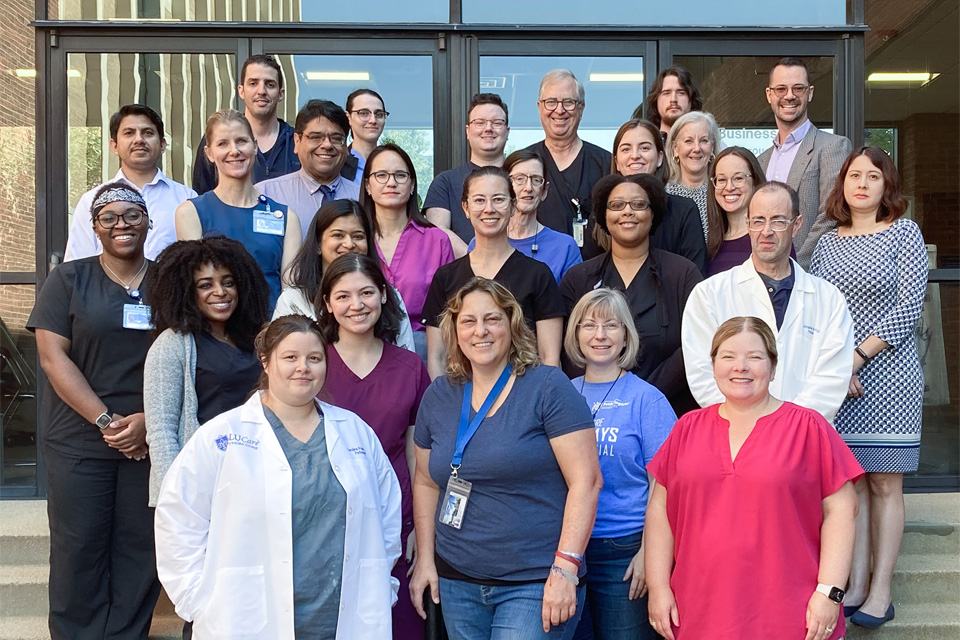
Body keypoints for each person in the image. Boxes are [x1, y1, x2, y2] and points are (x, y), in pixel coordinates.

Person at [155, 314, 402, 640]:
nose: (304, 367)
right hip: (246, 618)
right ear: (266, 362)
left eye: (314, 358)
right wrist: (196, 601)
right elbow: (179, 521)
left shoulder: (355, 433)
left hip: (341, 617)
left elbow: (386, 516)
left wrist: (379, 582)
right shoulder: (222, 436)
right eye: (290, 357)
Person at [645, 317, 862, 640]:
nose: (740, 367)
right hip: (699, 612)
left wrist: (829, 592)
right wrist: (658, 588)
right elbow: (660, 513)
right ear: (714, 364)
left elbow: (843, 512)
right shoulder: (687, 428)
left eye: (755, 357)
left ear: (773, 368)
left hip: (793, 615)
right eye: (728, 356)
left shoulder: (809, 428)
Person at [409, 278, 602, 639]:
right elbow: (424, 480)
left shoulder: (547, 387)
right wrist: (425, 558)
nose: (480, 331)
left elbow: (587, 481)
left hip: (534, 582)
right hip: (457, 580)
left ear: (512, 324)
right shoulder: (439, 394)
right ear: (454, 329)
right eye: (468, 321)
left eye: (492, 319)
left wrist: (566, 569)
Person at [27, 183, 160, 639]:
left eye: (132, 215)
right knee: (78, 548)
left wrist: (147, 421)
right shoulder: (67, 279)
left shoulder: (169, 283)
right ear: (95, 227)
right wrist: (106, 421)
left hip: (149, 441)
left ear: (148, 222)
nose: (121, 224)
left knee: (139, 550)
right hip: (80, 440)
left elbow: (189, 356)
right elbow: (52, 357)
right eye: (110, 217)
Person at [809, 147, 929, 629]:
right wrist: (840, 365)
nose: (862, 183)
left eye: (873, 176)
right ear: (842, 184)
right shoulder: (826, 244)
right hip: (841, 380)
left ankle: (881, 589)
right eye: (854, 175)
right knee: (849, 482)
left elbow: (908, 305)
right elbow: (817, 312)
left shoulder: (904, 233)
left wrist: (857, 357)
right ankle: (854, 584)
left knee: (884, 482)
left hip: (890, 375)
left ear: (887, 185)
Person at [318, 253, 431, 640]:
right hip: (326, 519)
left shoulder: (410, 367)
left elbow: (419, 452)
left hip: (394, 519)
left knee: (399, 624)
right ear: (328, 303)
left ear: (384, 295)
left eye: (367, 292)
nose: (356, 305)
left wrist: (420, 523)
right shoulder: (314, 365)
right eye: (344, 296)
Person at [681, 181, 854, 422]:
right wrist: (751, 423)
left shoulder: (829, 299)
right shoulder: (710, 294)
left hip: (806, 435)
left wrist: (786, 426)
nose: (767, 231)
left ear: (797, 225)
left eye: (779, 221)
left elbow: (832, 379)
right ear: (748, 224)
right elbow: (702, 373)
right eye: (758, 220)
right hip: (737, 434)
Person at [564, 288, 676, 640]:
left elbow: (667, 484)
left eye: (611, 325)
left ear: (626, 334)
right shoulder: (561, 395)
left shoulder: (647, 400)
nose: (600, 335)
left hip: (625, 552)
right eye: (589, 325)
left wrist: (650, 553)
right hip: (568, 553)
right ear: (575, 334)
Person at [561, 173, 702, 417]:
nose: (628, 212)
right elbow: (568, 351)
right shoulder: (579, 277)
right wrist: (605, 395)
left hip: (669, 408)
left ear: (653, 213)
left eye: (638, 204)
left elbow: (695, 343)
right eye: (616, 205)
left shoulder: (682, 274)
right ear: (604, 216)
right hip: (593, 411)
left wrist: (642, 396)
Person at [143, 236, 270, 508]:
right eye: (205, 285)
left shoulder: (257, 339)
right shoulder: (173, 344)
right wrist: (176, 495)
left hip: (256, 473)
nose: (220, 292)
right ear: (186, 291)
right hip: (200, 483)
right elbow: (161, 430)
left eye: (228, 282)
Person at [422, 166, 566, 379]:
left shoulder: (538, 275)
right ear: (466, 208)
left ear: (513, 205)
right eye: (479, 200)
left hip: (522, 399)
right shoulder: (446, 277)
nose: (489, 209)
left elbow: (549, 358)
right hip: (462, 400)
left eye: (498, 199)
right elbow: (437, 358)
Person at [175, 109, 302, 311]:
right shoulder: (190, 213)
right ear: (209, 153)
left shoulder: (286, 217)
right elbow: (197, 285)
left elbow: (290, 292)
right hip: (217, 335)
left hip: (272, 334)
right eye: (223, 143)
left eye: (241, 141)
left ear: (255, 146)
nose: (234, 151)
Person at [273, 199, 416, 351]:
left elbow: (405, 358)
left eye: (358, 236)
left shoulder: (389, 296)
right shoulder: (294, 299)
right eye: (338, 235)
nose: (349, 244)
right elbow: (278, 359)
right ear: (318, 245)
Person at [65, 104, 196, 261]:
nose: (139, 140)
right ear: (114, 146)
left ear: (162, 145)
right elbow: (78, 265)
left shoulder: (187, 198)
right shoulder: (91, 201)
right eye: (129, 133)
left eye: (147, 133)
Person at [360, 143, 455, 359]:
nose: (391, 182)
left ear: (412, 184)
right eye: (381, 175)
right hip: (363, 349)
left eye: (400, 175)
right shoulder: (355, 238)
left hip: (424, 351)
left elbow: (449, 311)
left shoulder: (436, 240)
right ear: (367, 185)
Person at [758, 57, 853, 268]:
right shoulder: (761, 161)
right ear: (769, 95)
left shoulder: (833, 147)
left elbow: (831, 216)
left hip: (810, 277)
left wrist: (793, 270)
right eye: (781, 89)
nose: (789, 96)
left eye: (798, 88)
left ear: (810, 93)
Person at [524, 69, 611, 254]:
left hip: (595, 274)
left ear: (581, 108)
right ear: (539, 107)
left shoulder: (606, 163)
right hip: (537, 268)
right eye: (551, 102)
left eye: (568, 102)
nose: (559, 110)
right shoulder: (522, 164)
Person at [468, 149, 582, 283]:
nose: (528, 187)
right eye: (519, 179)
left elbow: (574, 302)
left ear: (544, 190)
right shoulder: (480, 243)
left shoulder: (565, 247)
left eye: (536, 180)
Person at [192, 54, 300, 194]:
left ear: (280, 94)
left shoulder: (298, 142)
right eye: (253, 83)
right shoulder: (217, 139)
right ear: (241, 91)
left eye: (270, 84)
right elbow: (202, 195)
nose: (261, 91)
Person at [609, 119, 706, 272]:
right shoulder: (603, 210)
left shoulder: (684, 210)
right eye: (626, 149)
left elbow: (695, 275)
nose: (635, 155)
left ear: (660, 157)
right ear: (617, 161)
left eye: (645, 148)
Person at [257, 99, 361, 239]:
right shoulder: (266, 196)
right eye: (315, 137)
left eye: (336, 138)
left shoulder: (364, 199)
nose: (327, 145)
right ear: (297, 141)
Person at [424, 93, 511, 254]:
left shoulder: (521, 179)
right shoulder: (445, 182)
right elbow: (438, 232)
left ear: (507, 131)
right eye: (480, 122)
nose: (488, 128)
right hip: (464, 274)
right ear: (468, 131)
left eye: (497, 123)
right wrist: (477, 262)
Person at [705, 146, 774, 276]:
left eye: (738, 178)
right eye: (721, 180)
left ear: (755, 182)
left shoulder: (770, 238)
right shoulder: (708, 243)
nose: (729, 187)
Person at [664, 111, 722, 243]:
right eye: (688, 141)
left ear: (712, 147)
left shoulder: (722, 192)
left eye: (703, 141)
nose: (696, 148)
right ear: (675, 149)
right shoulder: (664, 194)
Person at [631, 66, 703, 141]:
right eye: (666, 93)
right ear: (656, 101)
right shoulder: (646, 146)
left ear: (691, 100)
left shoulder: (701, 147)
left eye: (681, 93)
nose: (673, 99)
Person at [345, 88, 389, 186]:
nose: (373, 120)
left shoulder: (392, 163)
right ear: (348, 118)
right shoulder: (338, 165)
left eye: (379, 114)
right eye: (364, 113)